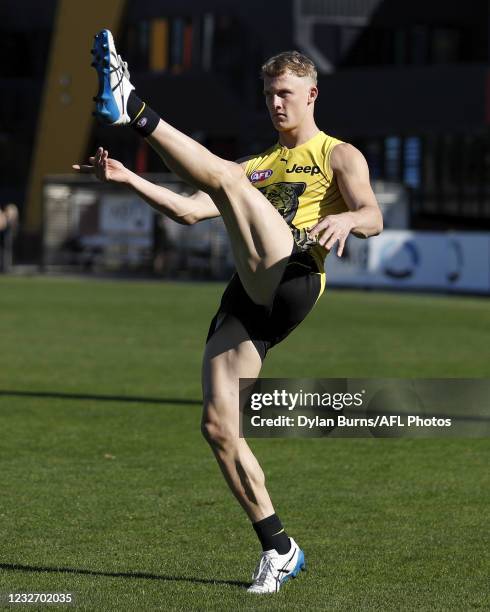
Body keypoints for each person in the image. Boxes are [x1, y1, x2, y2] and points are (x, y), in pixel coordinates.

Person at [73, 29, 383, 594]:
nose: (276, 102)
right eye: (269, 93)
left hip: (292, 276)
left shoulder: (338, 154)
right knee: (219, 427)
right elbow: (192, 210)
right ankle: (280, 548)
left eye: (286, 92)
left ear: (313, 93)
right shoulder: (257, 164)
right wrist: (127, 177)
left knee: (229, 180)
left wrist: (346, 220)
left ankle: (133, 105)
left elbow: (372, 215)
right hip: (246, 293)